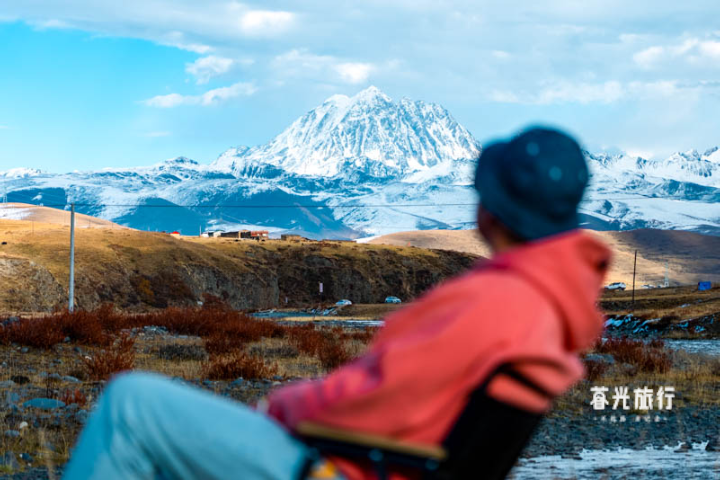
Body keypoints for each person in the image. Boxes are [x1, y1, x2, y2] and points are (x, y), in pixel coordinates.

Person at [62, 126, 611, 480]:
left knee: (131, 403)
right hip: (388, 463)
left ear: (492, 208)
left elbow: (384, 396)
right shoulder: (549, 303)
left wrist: (281, 408)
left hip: (342, 467)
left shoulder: (497, 300)